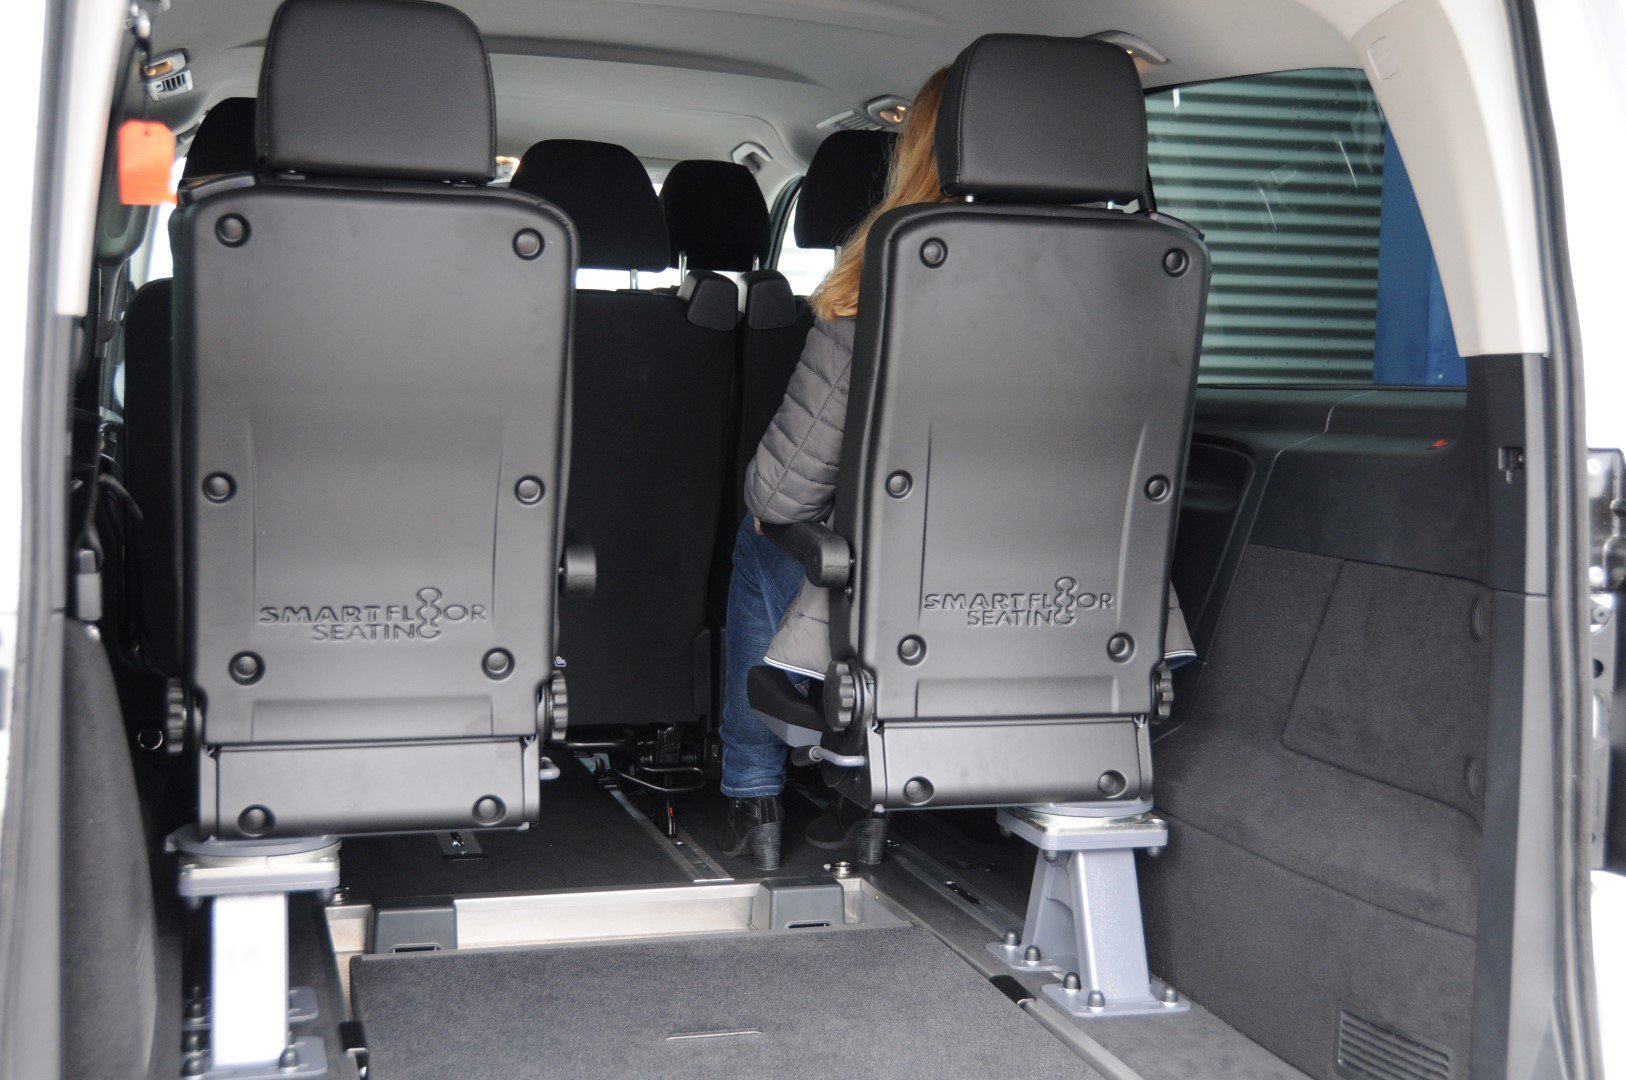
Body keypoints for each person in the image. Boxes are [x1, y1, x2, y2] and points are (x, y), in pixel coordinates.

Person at [717, 67, 954, 870]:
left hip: (895, 586)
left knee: (763, 534)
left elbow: (784, 491)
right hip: (1060, 594)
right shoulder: (1141, 277)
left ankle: (753, 796)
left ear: (919, 150)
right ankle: (864, 799)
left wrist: (763, 507)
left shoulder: (886, 277)